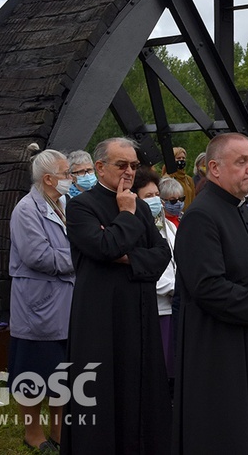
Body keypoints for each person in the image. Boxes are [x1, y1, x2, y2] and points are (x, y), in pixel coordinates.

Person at [173, 133, 248, 454]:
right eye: (241, 162)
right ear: (214, 168)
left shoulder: (240, 208)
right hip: (220, 351)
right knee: (228, 434)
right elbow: (206, 287)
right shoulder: (202, 215)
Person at [62, 137, 172, 454]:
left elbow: (161, 254)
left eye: (134, 166)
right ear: (100, 167)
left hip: (138, 313)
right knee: (100, 391)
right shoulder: (82, 206)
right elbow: (104, 247)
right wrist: (124, 217)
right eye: (121, 165)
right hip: (99, 316)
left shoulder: (136, 206)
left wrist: (126, 255)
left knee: (140, 387)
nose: (128, 172)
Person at [8, 145, 74, 452]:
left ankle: (59, 431)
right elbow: (38, 256)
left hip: (66, 304)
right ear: (48, 179)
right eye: (66, 173)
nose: (71, 178)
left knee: (62, 372)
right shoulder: (26, 210)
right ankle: (32, 433)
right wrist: (80, 256)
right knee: (32, 373)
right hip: (38, 306)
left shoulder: (66, 203)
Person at [132, 167, 177, 387]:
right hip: (157, 305)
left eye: (156, 195)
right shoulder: (134, 228)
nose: (155, 200)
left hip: (175, 305)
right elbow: (146, 265)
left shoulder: (168, 225)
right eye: (148, 196)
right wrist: (171, 287)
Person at [164, 146, 195, 212]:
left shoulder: (188, 179)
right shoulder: (167, 179)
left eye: (183, 158)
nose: (181, 160)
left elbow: (193, 199)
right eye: (178, 158)